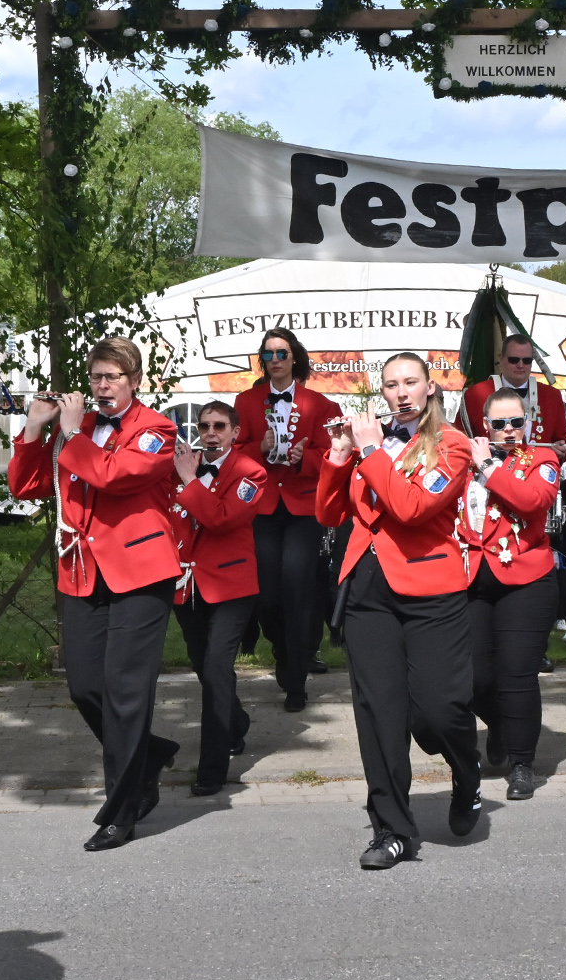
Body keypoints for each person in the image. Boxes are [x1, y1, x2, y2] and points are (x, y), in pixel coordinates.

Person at [8, 336, 180, 851]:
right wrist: (34, 429)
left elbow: (112, 476)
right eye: (96, 377)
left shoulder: (158, 430)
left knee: (126, 692)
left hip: (141, 573)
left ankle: (121, 811)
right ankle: (149, 753)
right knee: (84, 686)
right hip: (83, 571)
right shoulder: (77, 430)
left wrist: (69, 432)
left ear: (135, 381)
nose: (102, 386)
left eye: (112, 377)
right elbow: (27, 487)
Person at [316, 353, 480, 870]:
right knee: (378, 714)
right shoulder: (374, 442)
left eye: (411, 382)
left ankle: (467, 772)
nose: (401, 392)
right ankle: (392, 829)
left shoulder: (452, 444)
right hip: (367, 590)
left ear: (430, 388)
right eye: (391, 385)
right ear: (381, 391)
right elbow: (328, 513)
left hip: (430, 588)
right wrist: (339, 456)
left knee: (439, 709)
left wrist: (369, 452)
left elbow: (411, 509)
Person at [458, 387, 562, 801]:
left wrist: (487, 465)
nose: (508, 430)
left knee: (517, 674)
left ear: (527, 422)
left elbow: (533, 502)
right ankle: (501, 724)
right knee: (473, 675)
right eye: (499, 423)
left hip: (527, 580)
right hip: (471, 578)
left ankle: (522, 763)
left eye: (516, 422)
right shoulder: (463, 459)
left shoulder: (542, 458)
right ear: (486, 425)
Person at [235, 329, 342, 713]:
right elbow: (233, 451)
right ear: (262, 360)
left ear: (294, 357)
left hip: (302, 509)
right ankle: (283, 651)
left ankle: (296, 677)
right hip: (263, 507)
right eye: (269, 354)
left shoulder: (321, 404)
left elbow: (334, 453)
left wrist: (304, 457)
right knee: (266, 595)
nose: (275, 359)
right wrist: (257, 448)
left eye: (282, 353)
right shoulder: (245, 401)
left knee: (297, 585)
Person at [170, 401, 268, 795]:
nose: (211, 433)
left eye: (219, 426)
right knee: (203, 665)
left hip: (232, 586)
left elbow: (222, 518)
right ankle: (236, 722)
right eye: (205, 426)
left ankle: (211, 770)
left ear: (234, 432)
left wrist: (188, 480)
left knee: (215, 668)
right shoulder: (184, 466)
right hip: (188, 583)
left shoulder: (250, 472)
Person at [453, 333, 566, 447]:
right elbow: (459, 439)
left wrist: (559, 450)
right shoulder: (475, 394)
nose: (520, 365)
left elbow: (565, 443)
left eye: (527, 361)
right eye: (514, 360)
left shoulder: (551, 395)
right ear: (501, 359)